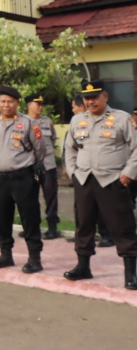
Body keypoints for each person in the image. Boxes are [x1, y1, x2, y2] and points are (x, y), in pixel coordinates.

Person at [63, 80, 137, 290]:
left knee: (122, 226)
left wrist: (128, 174)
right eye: (87, 98)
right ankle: (83, 266)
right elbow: (70, 148)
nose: (90, 101)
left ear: (105, 96)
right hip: (85, 180)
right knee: (83, 224)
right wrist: (73, 171)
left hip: (112, 181)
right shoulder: (77, 120)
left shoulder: (122, 119)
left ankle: (131, 274)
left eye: (95, 97)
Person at [0, 86, 46, 273]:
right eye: (3, 101)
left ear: (17, 103)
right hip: (1, 179)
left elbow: (40, 150)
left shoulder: (29, 123)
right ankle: (6, 254)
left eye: (10, 102)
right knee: (2, 218)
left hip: (23, 177)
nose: (6, 105)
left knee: (30, 218)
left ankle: (34, 258)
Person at [63, 95, 113, 246]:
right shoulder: (76, 123)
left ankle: (107, 236)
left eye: (74, 106)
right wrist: (72, 171)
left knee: (106, 209)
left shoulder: (114, 120)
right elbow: (69, 148)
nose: (72, 110)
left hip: (105, 175)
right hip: (83, 176)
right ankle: (83, 242)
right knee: (82, 212)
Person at [24, 93, 59, 239]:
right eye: (37, 103)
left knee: (50, 197)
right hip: (29, 166)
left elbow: (53, 138)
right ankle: (32, 227)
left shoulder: (47, 122)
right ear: (28, 105)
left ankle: (52, 227)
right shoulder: (22, 121)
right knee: (29, 198)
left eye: (42, 104)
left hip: (48, 165)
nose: (40, 106)